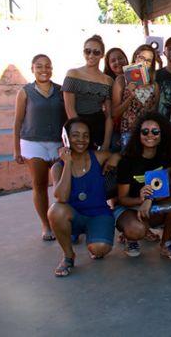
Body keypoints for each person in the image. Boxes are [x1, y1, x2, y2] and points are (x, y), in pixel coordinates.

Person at [48, 118, 118, 277]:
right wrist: (68, 163)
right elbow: (61, 198)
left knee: (100, 249)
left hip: (99, 214)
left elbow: (121, 155)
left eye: (85, 136)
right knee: (56, 210)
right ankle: (68, 255)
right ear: (66, 138)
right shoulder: (58, 167)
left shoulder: (98, 157)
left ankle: (92, 234)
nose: (81, 140)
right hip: (75, 215)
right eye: (75, 135)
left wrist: (116, 158)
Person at [113, 112, 171, 259]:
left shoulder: (166, 157)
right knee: (137, 230)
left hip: (152, 209)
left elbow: (167, 189)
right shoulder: (127, 161)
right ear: (138, 134)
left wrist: (148, 200)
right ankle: (131, 238)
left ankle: (166, 244)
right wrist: (140, 200)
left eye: (155, 131)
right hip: (128, 209)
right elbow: (122, 199)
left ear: (162, 134)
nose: (149, 135)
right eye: (145, 131)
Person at [13, 54, 66, 241]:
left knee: (63, 186)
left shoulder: (60, 90)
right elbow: (18, 121)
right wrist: (16, 149)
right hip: (32, 143)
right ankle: (46, 225)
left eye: (48, 66)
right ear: (32, 69)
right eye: (39, 66)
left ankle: (65, 223)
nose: (44, 70)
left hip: (57, 144)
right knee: (39, 184)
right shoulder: (25, 91)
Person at [62, 34, 113, 150]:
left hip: (98, 127)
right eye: (87, 51)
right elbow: (70, 109)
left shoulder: (108, 80)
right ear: (83, 52)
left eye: (96, 52)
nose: (91, 55)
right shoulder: (72, 74)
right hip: (75, 126)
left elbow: (109, 116)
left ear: (102, 55)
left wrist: (106, 143)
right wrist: (81, 134)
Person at [112, 44, 160, 150]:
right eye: (141, 58)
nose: (143, 63)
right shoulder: (121, 80)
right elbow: (114, 113)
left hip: (147, 134)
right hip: (128, 134)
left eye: (148, 60)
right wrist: (130, 97)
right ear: (135, 57)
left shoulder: (154, 85)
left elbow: (154, 113)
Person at [103, 48, 129, 151]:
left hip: (134, 128)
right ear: (108, 65)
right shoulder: (106, 82)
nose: (117, 62)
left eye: (120, 58)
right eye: (113, 60)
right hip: (115, 131)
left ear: (126, 59)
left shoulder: (137, 78)